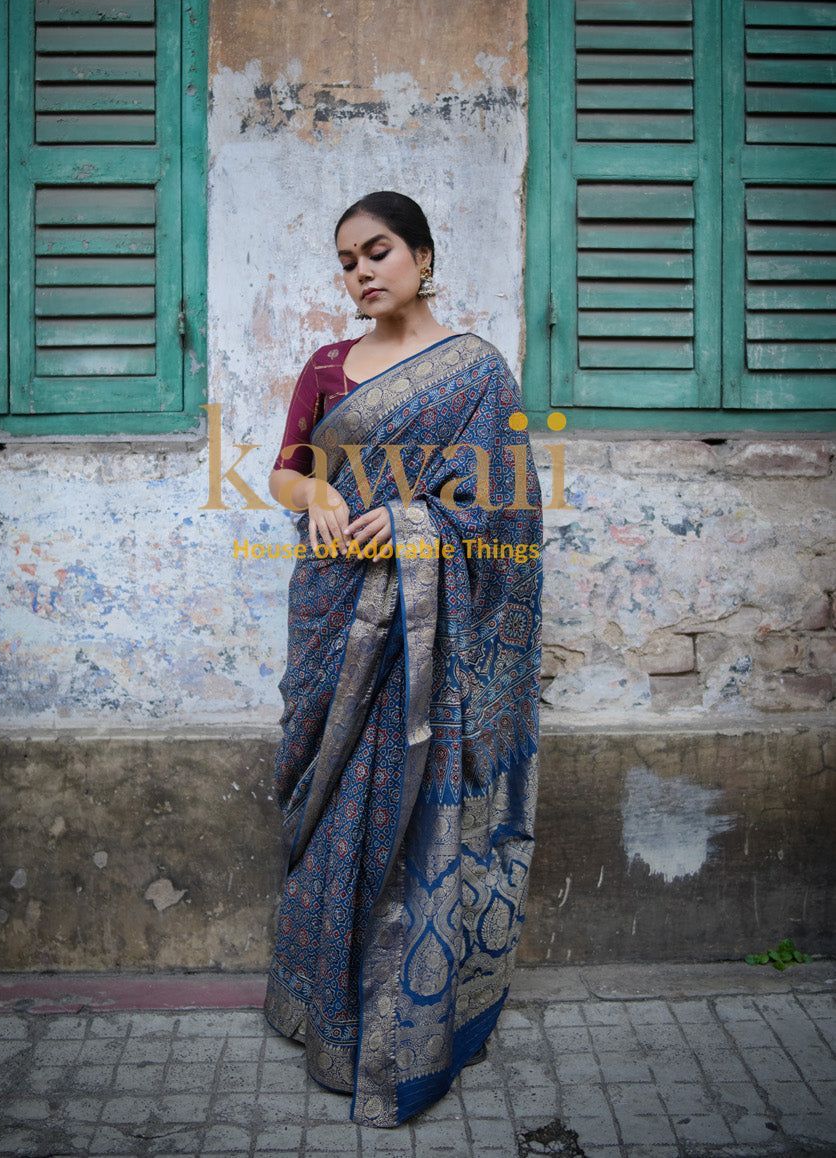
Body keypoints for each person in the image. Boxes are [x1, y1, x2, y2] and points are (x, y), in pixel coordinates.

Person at [263, 190, 543, 1127]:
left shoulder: (478, 375)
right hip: (337, 613)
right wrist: (314, 496)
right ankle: (324, 1009)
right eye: (346, 261)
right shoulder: (327, 366)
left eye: (376, 252)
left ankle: (403, 1020)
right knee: (335, 802)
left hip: (428, 638)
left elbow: (507, 507)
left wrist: (418, 522)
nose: (361, 273)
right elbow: (283, 468)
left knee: (410, 813)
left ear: (423, 256)